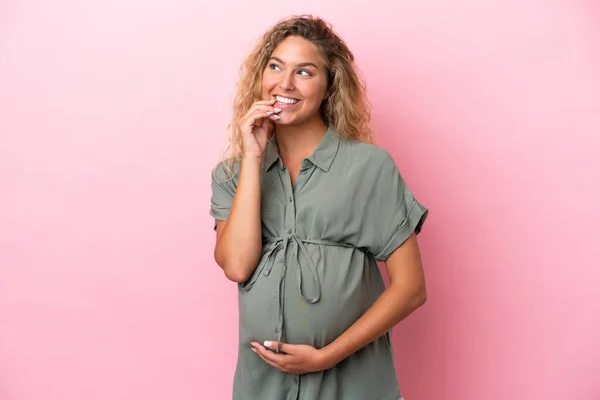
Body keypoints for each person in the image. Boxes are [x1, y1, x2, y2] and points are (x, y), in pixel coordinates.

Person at [210, 14, 428, 400]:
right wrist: (253, 158)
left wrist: (326, 357)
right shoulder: (233, 174)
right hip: (262, 387)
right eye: (275, 66)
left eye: (305, 72)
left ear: (329, 87)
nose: (285, 83)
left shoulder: (369, 168)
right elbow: (238, 266)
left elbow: (411, 288)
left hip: (352, 383)